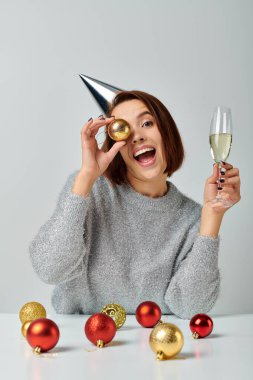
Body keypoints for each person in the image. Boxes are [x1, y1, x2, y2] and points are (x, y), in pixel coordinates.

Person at [29, 90, 241, 319]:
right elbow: (49, 268)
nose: (137, 137)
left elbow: (190, 306)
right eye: (123, 130)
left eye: (147, 123)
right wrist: (86, 177)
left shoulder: (191, 218)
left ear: (166, 133)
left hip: (154, 344)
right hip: (81, 340)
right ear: (115, 147)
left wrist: (212, 217)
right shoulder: (90, 190)